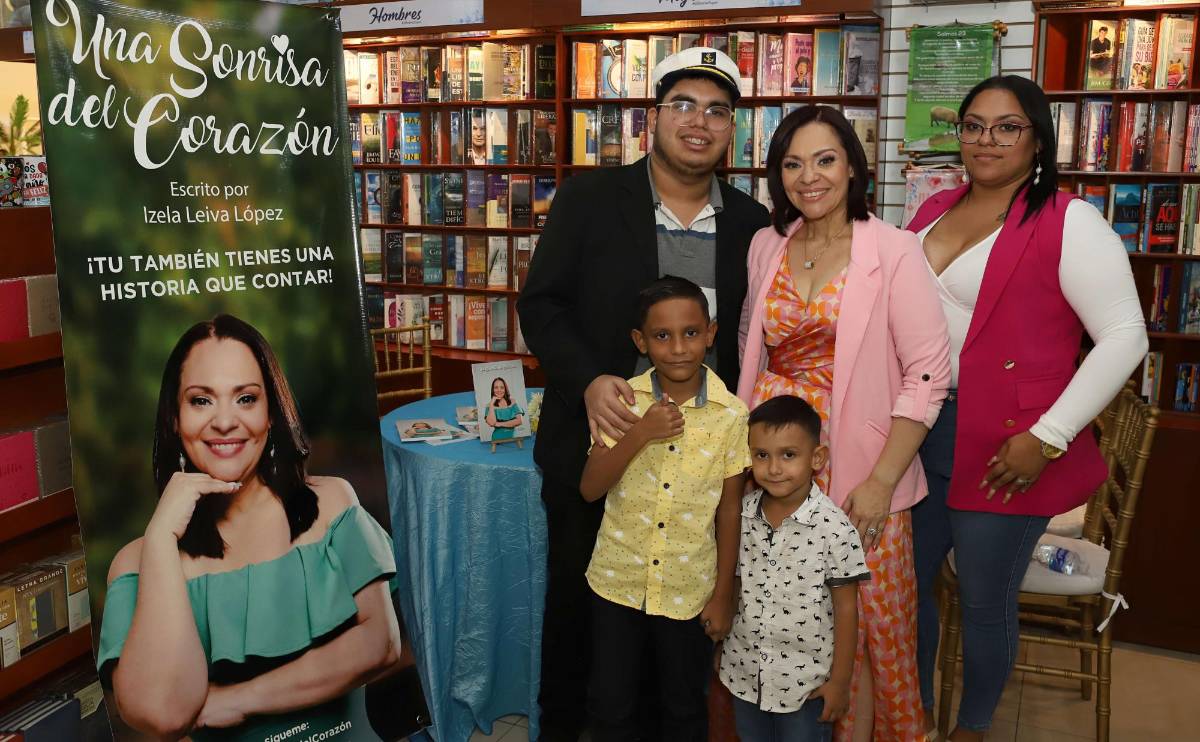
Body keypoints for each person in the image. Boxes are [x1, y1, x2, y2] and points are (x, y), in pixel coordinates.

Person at [516, 46, 769, 741]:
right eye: (683, 105)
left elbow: (748, 341)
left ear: (732, 130)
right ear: (653, 118)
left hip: (694, 478)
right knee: (579, 628)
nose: (699, 122)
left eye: (718, 110)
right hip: (598, 460)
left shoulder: (753, 225)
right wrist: (588, 379)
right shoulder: (590, 199)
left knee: (675, 651)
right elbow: (540, 306)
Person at [906, 76, 1147, 742]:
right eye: (974, 125)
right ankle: (913, 716)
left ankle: (972, 728)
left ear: (1036, 138)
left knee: (984, 600)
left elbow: (1127, 335)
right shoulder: (932, 211)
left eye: (1006, 127)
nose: (986, 140)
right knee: (905, 590)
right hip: (924, 430)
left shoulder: (1070, 219)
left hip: (1010, 442)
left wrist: (1047, 437)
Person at [737, 104, 951, 742]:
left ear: (854, 168)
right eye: (793, 164)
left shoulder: (894, 249)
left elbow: (929, 373)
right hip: (775, 459)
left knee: (867, 631)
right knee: (780, 617)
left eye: (826, 160)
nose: (810, 177)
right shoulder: (766, 243)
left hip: (863, 470)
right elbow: (753, 339)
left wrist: (883, 482)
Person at [97, 315, 404, 741]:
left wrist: (237, 698)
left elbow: (382, 644)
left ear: (272, 413)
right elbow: (161, 714)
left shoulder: (333, 503)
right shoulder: (137, 561)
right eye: (201, 400)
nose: (225, 421)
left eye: (245, 398)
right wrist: (162, 538)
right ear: (174, 418)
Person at [579, 277, 748, 742]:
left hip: (687, 589)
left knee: (682, 709)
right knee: (611, 707)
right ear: (640, 341)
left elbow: (730, 511)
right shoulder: (623, 400)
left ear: (711, 334)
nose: (678, 348)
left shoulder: (732, 415)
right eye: (662, 336)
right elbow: (590, 488)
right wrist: (640, 433)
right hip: (617, 586)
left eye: (691, 333)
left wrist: (723, 594)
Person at [720, 395, 869, 742]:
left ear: (816, 458)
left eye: (788, 455)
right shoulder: (741, 515)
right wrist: (725, 649)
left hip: (806, 687)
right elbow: (736, 584)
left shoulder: (835, 528)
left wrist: (840, 682)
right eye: (762, 455)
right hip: (746, 674)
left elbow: (847, 609)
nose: (774, 468)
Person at [484, 376, 525, 441]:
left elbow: (519, 421)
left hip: (514, 438)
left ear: (505, 389)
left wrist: (499, 424)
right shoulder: (489, 406)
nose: (499, 390)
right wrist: (491, 404)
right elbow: (491, 423)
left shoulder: (513, 401)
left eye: (502, 387)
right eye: (496, 387)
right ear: (493, 389)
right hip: (497, 439)